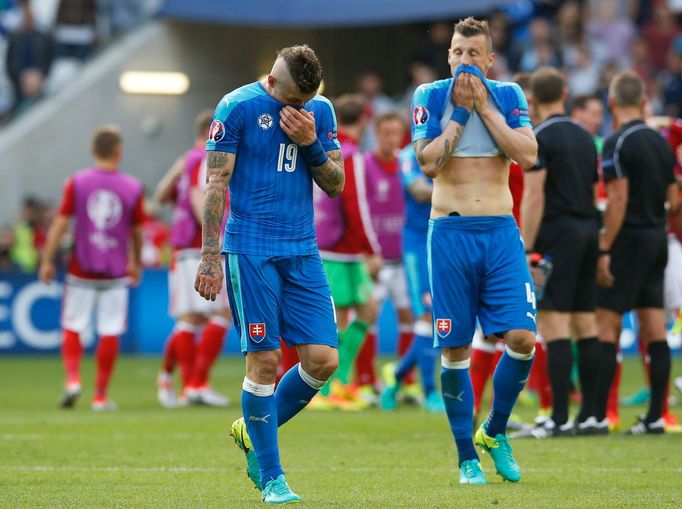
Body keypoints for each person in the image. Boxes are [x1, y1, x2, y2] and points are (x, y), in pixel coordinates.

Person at [194, 45, 344, 504]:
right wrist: (208, 255)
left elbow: (336, 184)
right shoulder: (236, 107)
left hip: (302, 249)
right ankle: (273, 478)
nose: (299, 110)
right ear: (274, 83)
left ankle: (253, 430)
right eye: (293, 102)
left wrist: (311, 143)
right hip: (250, 252)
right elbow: (216, 182)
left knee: (323, 360)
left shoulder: (319, 109)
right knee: (264, 362)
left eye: (306, 102)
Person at [412, 17, 537, 484]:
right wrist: (461, 114)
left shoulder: (509, 96)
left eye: (473, 53)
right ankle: (467, 457)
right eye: (457, 52)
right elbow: (427, 164)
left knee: (523, 340)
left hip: (501, 233)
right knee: (456, 348)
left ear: (490, 58)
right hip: (450, 234)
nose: (465, 60)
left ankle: (494, 430)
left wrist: (485, 109)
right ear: (448, 56)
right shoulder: (429, 97)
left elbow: (527, 154)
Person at [593, 71, 678, 435]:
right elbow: (675, 198)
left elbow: (618, 198)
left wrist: (605, 246)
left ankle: (597, 415)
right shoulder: (661, 143)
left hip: (627, 240)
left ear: (613, 104)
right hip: (657, 238)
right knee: (654, 327)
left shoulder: (616, 142)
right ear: (644, 103)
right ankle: (656, 416)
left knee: (606, 323)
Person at [39, 125, 144, 411]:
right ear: (118, 152)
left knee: (73, 324)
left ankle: (73, 378)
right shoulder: (133, 186)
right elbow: (137, 230)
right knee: (110, 329)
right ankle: (100, 396)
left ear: (93, 150)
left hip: (81, 269)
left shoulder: (77, 182)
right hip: (115, 271)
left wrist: (47, 260)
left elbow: (60, 224)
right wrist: (135, 260)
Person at [521, 67, 601, 437]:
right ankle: (593, 415)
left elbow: (535, 196)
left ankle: (558, 417)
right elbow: (593, 191)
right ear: (566, 94)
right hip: (588, 231)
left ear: (532, 100)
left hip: (557, 235)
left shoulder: (540, 137)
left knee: (553, 325)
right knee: (586, 324)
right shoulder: (586, 137)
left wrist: (528, 245)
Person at [154, 109, 231, 408]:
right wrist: (213, 235)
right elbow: (201, 193)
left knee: (191, 317)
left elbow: (161, 197)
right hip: (200, 245)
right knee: (219, 314)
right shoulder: (208, 157)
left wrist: (176, 171)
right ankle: (197, 383)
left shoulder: (186, 159)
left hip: (181, 245)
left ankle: (178, 381)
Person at [310, 93, 381, 409]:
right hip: (342, 248)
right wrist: (371, 247)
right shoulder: (352, 156)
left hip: (334, 244)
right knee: (340, 317)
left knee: (367, 310)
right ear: (364, 121)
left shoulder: (331, 151)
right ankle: (327, 389)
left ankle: (341, 379)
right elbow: (357, 204)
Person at [380, 144, 445, 413]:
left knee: (440, 319)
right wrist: (459, 193)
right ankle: (430, 391)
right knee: (425, 317)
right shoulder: (408, 155)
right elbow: (418, 190)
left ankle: (395, 375)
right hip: (418, 246)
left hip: (446, 240)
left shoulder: (453, 149)